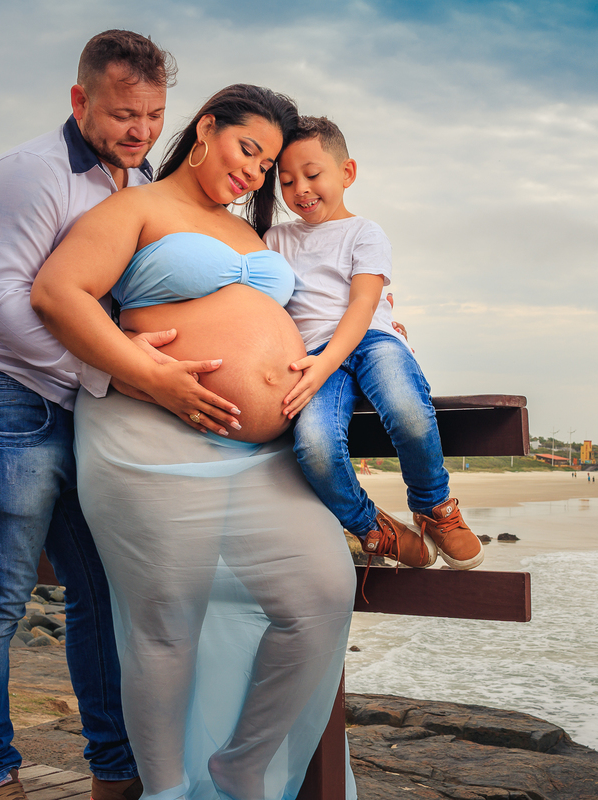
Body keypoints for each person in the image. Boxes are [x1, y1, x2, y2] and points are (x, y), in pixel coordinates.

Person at [31, 86, 357, 800]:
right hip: (151, 436)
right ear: (207, 127)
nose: (256, 173)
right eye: (249, 150)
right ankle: (167, 793)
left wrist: (379, 335)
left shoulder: (254, 233)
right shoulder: (137, 208)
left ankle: (242, 763)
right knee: (166, 625)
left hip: (258, 454)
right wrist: (148, 371)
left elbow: (317, 310)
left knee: (323, 594)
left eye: (269, 164)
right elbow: (58, 293)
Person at [0, 30, 199, 800]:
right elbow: (1, 304)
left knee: (102, 589)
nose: (139, 131)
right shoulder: (28, 174)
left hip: (80, 409)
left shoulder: (139, 178)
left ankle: (114, 771)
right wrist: (119, 372)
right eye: (122, 113)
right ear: (80, 100)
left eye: (152, 115)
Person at [265, 116, 483, 570]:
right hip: (310, 357)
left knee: (406, 408)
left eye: (312, 174)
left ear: (347, 173)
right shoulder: (276, 239)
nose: (300, 189)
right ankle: (371, 526)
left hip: (370, 339)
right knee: (315, 446)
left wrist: (325, 365)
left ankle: (434, 506)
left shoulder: (365, 232)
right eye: (286, 181)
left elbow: (364, 304)